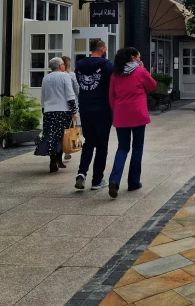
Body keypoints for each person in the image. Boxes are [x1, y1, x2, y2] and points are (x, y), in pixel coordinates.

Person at [107, 47, 157, 198]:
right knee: (137, 148)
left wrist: (116, 111)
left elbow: (112, 96)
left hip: (121, 115)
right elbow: (152, 85)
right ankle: (133, 182)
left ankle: (114, 179)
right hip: (137, 114)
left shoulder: (116, 74)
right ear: (134, 58)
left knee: (122, 148)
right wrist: (144, 69)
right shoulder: (140, 72)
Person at [74, 39, 114, 191]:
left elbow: (80, 82)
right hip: (102, 108)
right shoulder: (106, 65)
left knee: (89, 142)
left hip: (85, 108)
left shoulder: (80, 65)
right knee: (102, 145)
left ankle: (81, 172)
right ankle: (97, 179)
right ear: (102, 49)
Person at [35, 57, 77, 173]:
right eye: (63, 64)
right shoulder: (65, 76)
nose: (64, 66)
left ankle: (53, 161)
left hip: (49, 111)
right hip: (63, 110)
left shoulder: (46, 78)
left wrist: (44, 109)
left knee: (50, 136)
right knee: (62, 136)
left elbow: (43, 96)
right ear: (60, 66)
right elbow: (70, 94)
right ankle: (59, 158)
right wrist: (74, 110)